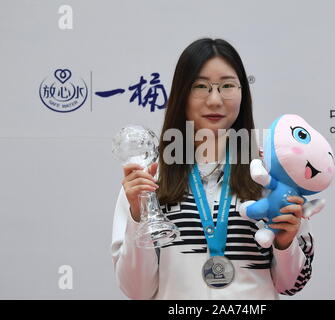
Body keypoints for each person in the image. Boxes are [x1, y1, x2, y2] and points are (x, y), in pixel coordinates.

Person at [111, 38, 314, 300]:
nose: (215, 99)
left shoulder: (273, 173)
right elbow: (137, 292)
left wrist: (285, 244)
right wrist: (137, 215)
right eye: (201, 86)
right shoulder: (151, 176)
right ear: (181, 93)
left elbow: (291, 285)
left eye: (227, 85)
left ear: (243, 92)